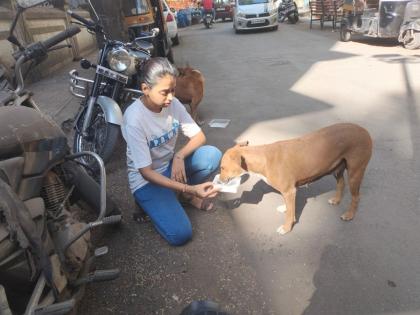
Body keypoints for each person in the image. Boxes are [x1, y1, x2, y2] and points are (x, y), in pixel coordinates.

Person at [121, 57, 222, 246]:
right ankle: (155, 201)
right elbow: (146, 172)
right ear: (145, 89)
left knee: (212, 155)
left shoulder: (173, 104)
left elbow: (199, 137)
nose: (171, 97)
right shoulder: (135, 119)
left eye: (173, 90)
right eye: (164, 92)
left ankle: (178, 197)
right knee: (180, 234)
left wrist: (179, 156)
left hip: (169, 167)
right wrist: (190, 188)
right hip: (146, 180)